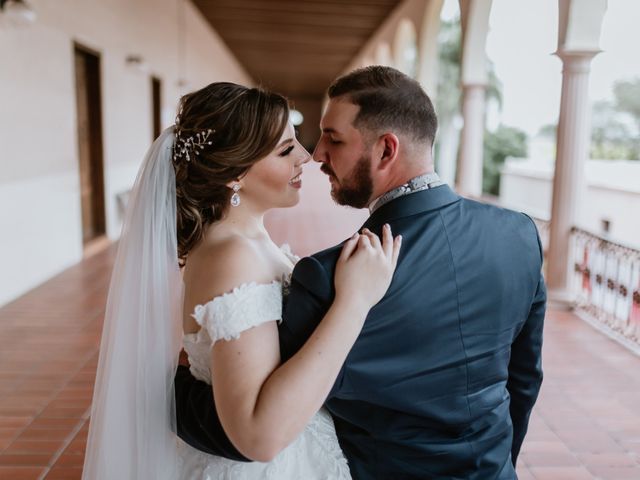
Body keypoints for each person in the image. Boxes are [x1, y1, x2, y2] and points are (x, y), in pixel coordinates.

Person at [174, 66, 546, 479]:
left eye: (332, 139)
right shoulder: (519, 235)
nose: (314, 155)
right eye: (290, 146)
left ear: (386, 150)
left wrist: (178, 397)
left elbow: (264, 420)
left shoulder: (328, 275)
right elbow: (525, 379)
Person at [81, 82, 401, 480]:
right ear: (235, 175)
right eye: (286, 150)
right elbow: (258, 436)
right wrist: (354, 301)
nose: (306, 157)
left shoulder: (246, 241)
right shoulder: (232, 256)